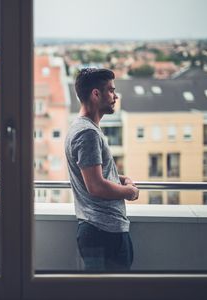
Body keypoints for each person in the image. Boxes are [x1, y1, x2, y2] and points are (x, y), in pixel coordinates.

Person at [65, 68, 139, 272]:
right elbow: (96, 186)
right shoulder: (87, 133)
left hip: (100, 230)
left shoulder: (82, 128)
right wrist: (130, 192)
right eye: (111, 90)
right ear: (96, 94)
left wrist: (117, 177)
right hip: (104, 232)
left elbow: (92, 174)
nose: (115, 96)